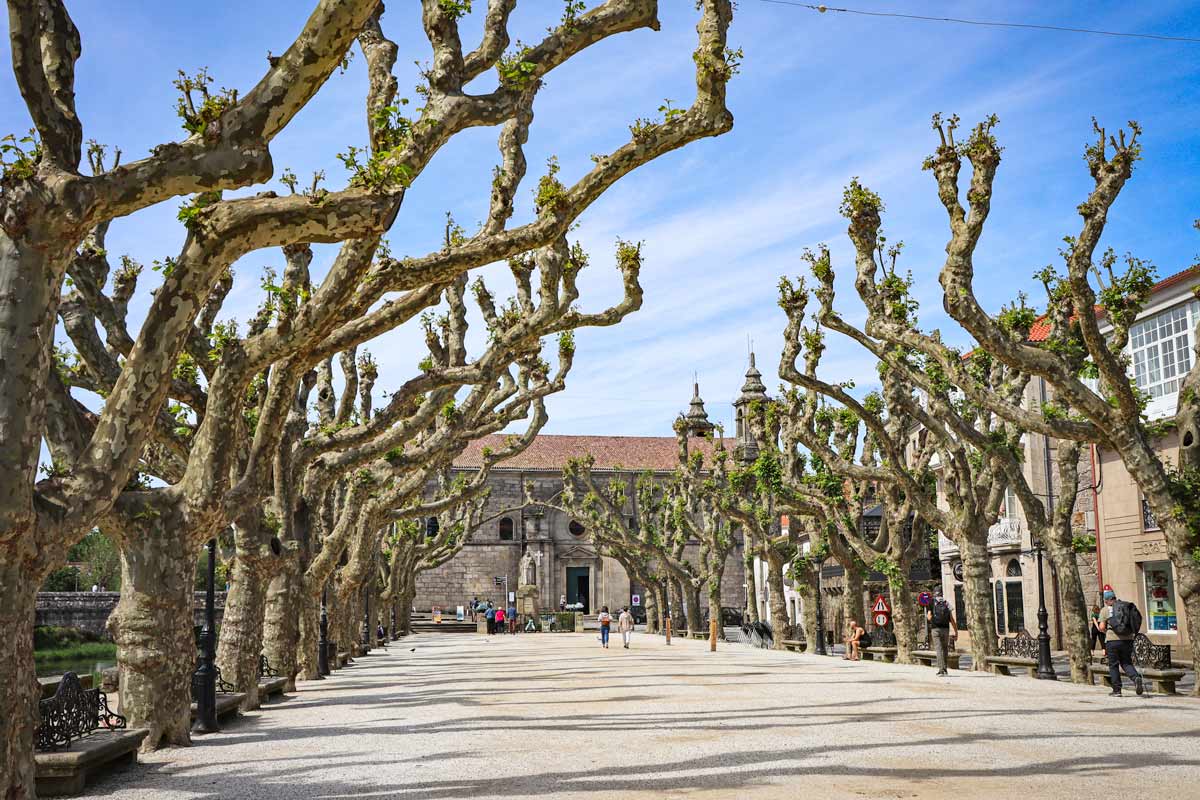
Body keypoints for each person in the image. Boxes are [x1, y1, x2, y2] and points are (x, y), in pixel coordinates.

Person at [1097, 587, 1144, 696]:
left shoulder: (1105, 610)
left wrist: (1106, 630)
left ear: (1106, 600)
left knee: (1113, 665)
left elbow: (1101, 627)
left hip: (1112, 641)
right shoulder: (1124, 607)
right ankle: (1136, 677)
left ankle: (1117, 690)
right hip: (1128, 640)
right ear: (1115, 597)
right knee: (1126, 662)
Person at [925, 591, 958, 676]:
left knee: (938, 649)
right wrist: (956, 631)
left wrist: (931, 620)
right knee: (945, 649)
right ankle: (945, 669)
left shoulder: (931, 602)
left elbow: (929, 617)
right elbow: (952, 619)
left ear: (934, 594)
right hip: (946, 629)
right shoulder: (946, 603)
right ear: (942, 594)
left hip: (935, 629)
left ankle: (941, 670)